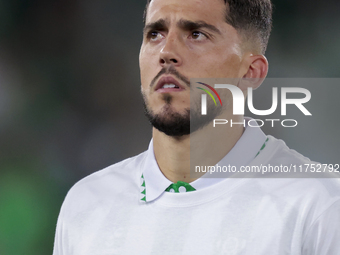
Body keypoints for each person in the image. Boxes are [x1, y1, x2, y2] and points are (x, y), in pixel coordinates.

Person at [53, 0, 340, 254]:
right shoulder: (86, 203)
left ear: (251, 73)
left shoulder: (320, 205)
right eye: (155, 34)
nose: (166, 52)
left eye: (196, 34)